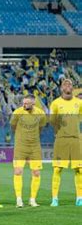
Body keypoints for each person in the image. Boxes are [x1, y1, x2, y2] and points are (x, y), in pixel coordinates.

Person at [49, 79, 82, 207]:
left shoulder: (79, 103)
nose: (68, 86)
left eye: (70, 84)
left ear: (73, 88)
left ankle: (79, 197)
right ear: (61, 88)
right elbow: (52, 120)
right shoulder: (56, 103)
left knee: (79, 170)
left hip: (75, 139)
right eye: (65, 84)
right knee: (57, 169)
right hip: (61, 139)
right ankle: (55, 199)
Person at [10, 94, 47, 208]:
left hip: (35, 147)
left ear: (33, 103)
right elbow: (13, 126)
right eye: (23, 103)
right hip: (20, 147)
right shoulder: (17, 113)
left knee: (36, 172)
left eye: (27, 103)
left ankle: (32, 200)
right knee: (18, 171)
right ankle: (19, 199)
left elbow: (41, 127)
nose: (24, 105)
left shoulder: (40, 114)